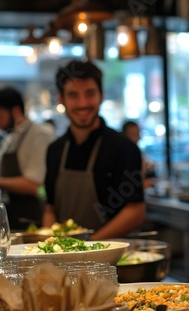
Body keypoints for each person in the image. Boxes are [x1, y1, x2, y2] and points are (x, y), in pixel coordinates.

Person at [42, 59, 145, 240]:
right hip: (63, 259)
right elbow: (50, 208)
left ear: (101, 96)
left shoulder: (123, 148)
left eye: (89, 94)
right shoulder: (54, 150)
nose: (83, 104)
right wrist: (50, 243)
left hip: (111, 260)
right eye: (73, 95)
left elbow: (135, 211)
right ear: (61, 99)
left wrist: (88, 246)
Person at [0, 87, 56, 230]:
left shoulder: (40, 134)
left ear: (16, 111)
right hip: (15, 216)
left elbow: (36, 186)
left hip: (36, 219)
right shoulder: (12, 137)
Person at [122, 120, 156, 189]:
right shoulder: (124, 154)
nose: (138, 137)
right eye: (133, 134)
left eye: (137, 134)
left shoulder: (137, 152)